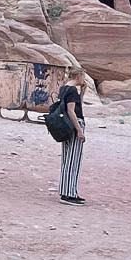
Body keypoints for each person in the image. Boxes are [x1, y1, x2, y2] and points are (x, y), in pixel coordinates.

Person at [56, 68, 88, 204]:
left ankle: (66, 190)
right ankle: (69, 194)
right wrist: (79, 130)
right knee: (73, 160)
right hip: (74, 125)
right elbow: (72, 111)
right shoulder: (73, 90)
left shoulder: (64, 88)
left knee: (66, 159)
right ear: (79, 76)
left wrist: (84, 91)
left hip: (66, 125)